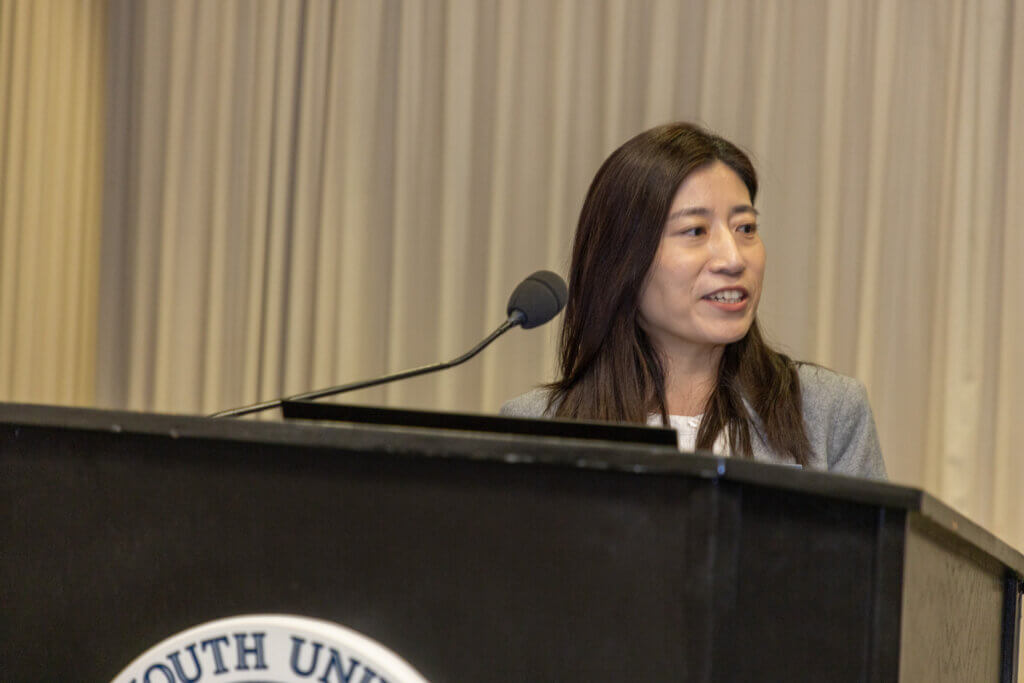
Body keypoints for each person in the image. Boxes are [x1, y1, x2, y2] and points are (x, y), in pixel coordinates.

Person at [501, 122, 886, 479]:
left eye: (746, 228)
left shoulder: (829, 414)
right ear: (622, 261)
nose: (734, 258)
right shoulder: (535, 427)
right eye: (696, 231)